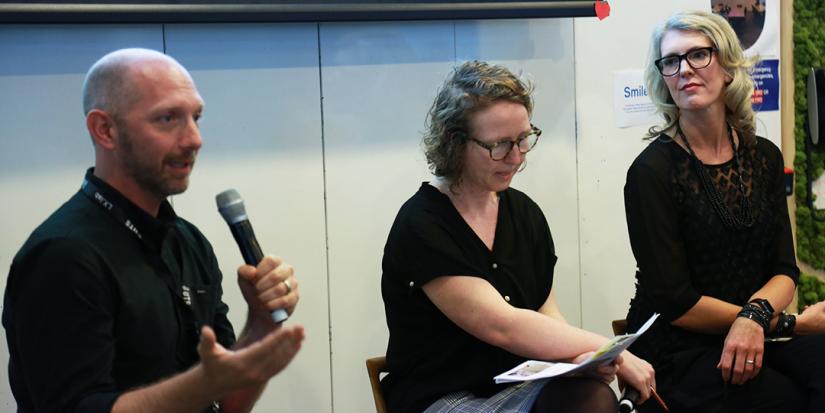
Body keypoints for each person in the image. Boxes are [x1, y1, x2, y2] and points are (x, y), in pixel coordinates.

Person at [2, 48, 304, 413]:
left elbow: (228, 402)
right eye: (167, 119)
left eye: (196, 117)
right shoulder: (64, 255)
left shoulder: (190, 243)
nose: (194, 139)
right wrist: (199, 385)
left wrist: (259, 323)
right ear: (105, 130)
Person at [380, 60, 656, 413]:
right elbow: (503, 326)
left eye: (523, 140)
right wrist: (611, 347)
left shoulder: (523, 212)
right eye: (499, 145)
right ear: (455, 142)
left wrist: (580, 359)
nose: (516, 158)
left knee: (592, 396)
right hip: (447, 396)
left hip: (522, 382)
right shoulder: (422, 224)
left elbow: (543, 311)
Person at [623, 10, 825, 413]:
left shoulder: (764, 156)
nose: (684, 70)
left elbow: (784, 270)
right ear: (662, 76)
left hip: (755, 330)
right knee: (783, 401)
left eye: (699, 55)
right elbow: (674, 300)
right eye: (671, 61)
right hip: (678, 347)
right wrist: (786, 323)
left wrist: (754, 317)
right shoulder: (651, 172)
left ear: (729, 66)